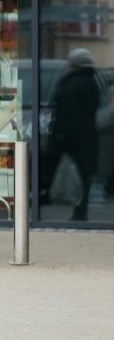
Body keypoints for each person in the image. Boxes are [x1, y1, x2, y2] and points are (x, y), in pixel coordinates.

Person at [43, 48, 102, 221]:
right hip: (86, 137)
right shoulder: (92, 82)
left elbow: (65, 114)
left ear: (74, 64)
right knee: (83, 176)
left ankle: (56, 206)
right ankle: (80, 211)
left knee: (61, 171)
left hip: (70, 138)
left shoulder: (71, 83)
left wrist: (57, 137)